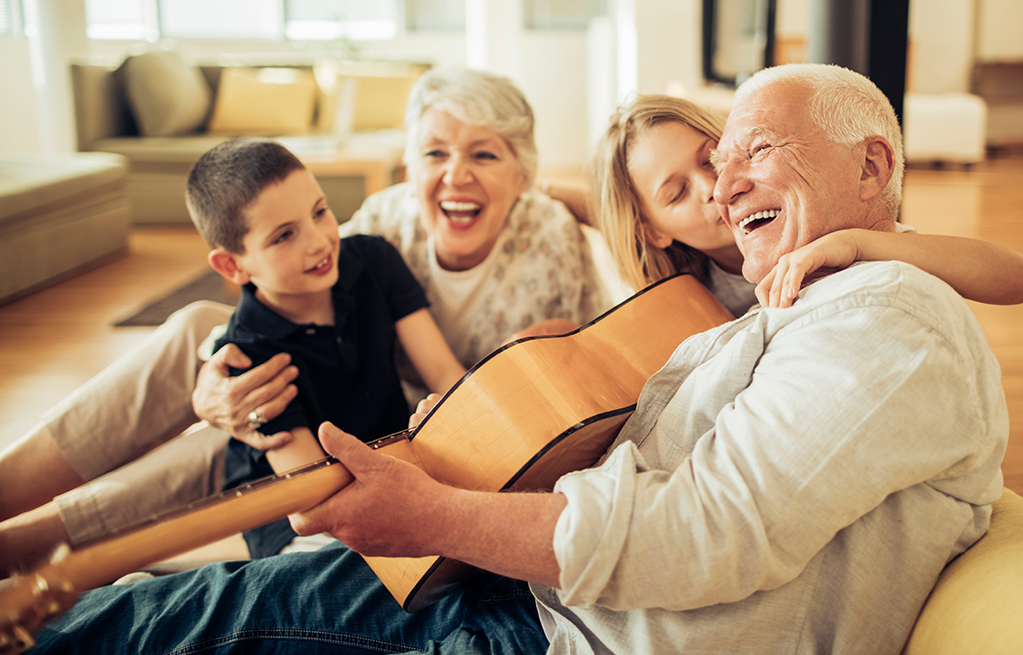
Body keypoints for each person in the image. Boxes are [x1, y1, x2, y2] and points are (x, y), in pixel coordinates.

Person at [27, 63, 1010, 655]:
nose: (722, 186)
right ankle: (31, 536)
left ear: (874, 166)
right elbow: (284, 297)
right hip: (456, 506)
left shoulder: (878, 306)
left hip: (531, 592)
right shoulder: (380, 233)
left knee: (175, 617)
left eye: (750, 152)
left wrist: (445, 506)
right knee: (193, 400)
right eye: (711, 169)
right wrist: (222, 385)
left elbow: (702, 524)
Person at [0, 68, 607, 573]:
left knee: (253, 425)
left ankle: (35, 544)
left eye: (484, 154)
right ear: (409, 163)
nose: (455, 175)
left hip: (407, 435)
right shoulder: (384, 222)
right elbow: (284, 278)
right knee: (206, 340)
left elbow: (537, 395)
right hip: (332, 394)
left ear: (524, 173)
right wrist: (215, 384)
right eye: (434, 153)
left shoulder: (546, 242)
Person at [187, 137, 467, 557]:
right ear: (234, 265)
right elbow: (314, 492)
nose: (318, 241)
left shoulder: (374, 259)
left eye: (320, 212)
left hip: (391, 470)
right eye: (284, 236)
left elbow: (447, 378)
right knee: (345, 569)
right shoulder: (247, 357)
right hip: (299, 518)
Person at [590, 93, 1023, 316]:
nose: (715, 186)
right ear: (651, 230)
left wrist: (857, 244)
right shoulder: (683, 298)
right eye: (677, 193)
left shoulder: (819, 233)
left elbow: (1020, 280)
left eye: (711, 157)